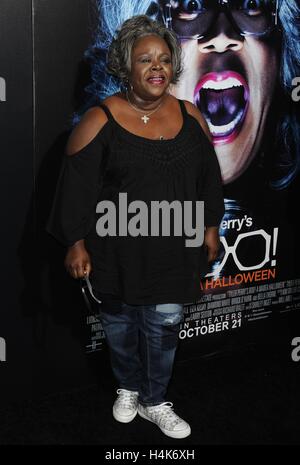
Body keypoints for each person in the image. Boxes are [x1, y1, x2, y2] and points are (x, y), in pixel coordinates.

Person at [47, 15, 224, 439]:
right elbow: (74, 189)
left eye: (164, 59)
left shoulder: (190, 115)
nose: (157, 67)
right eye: (145, 60)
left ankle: (155, 400)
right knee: (121, 330)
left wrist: (210, 227)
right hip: (115, 255)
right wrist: (75, 243)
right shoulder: (100, 119)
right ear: (125, 67)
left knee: (163, 334)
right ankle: (127, 388)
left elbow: (208, 179)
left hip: (172, 254)